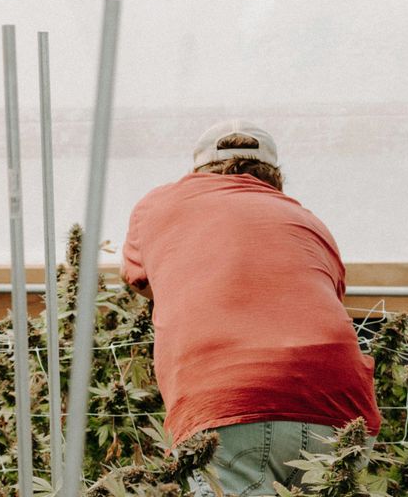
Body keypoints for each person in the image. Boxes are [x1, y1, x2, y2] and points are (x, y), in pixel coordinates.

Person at [121, 120, 380, 496]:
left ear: (198, 171)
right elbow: (329, 295)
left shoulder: (158, 205)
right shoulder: (309, 222)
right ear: (274, 176)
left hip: (230, 400)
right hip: (339, 405)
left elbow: (140, 282)